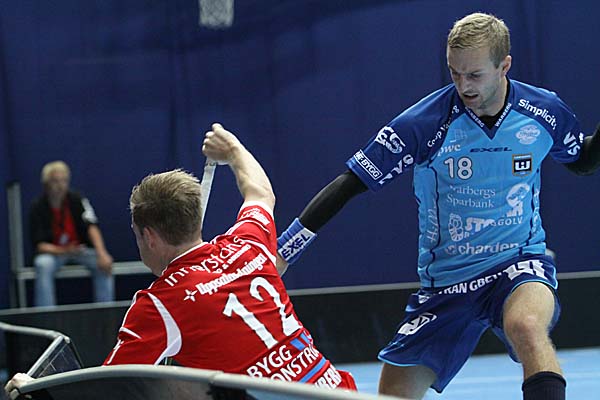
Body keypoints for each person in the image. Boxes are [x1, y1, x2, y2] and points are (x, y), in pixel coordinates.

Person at [277, 12, 600, 400]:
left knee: (527, 326)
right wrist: (283, 252)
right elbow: (350, 184)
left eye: (475, 75)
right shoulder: (424, 123)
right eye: (454, 73)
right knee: (393, 396)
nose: (464, 85)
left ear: (504, 66)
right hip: (446, 285)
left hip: (517, 264)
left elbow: (581, 160)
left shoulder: (543, 111)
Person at [101, 123, 356, 390]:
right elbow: (261, 193)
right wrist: (233, 148)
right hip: (337, 391)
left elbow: (108, 385)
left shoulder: (158, 304)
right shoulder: (247, 244)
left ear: (149, 236)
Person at [29, 160, 115, 306]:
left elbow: (91, 226)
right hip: (54, 253)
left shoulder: (77, 200)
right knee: (42, 264)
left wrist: (102, 253)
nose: (60, 185)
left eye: (64, 180)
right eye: (55, 181)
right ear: (46, 184)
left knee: (103, 263)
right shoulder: (37, 207)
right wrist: (64, 250)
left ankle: (105, 311)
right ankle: (46, 315)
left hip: (79, 250)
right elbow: (40, 245)